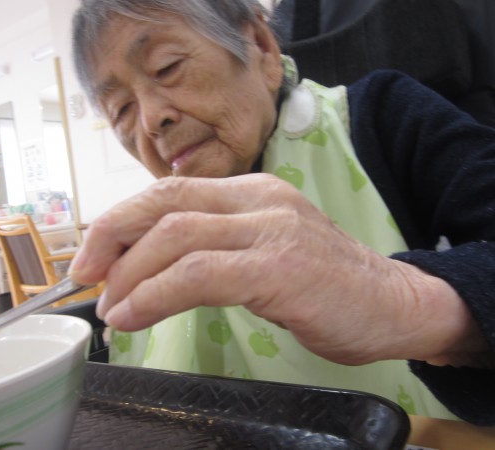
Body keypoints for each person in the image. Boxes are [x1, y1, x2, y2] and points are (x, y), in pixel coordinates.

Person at [69, 0, 495, 425]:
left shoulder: (382, 115)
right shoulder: (156, 229)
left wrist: (399, 298)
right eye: (121, 109)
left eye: (167, 67)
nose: (150, 120)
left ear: (261, 46)